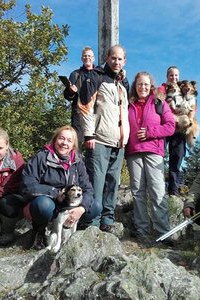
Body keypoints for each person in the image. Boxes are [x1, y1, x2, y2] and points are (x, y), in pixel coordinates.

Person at [21, 125, 99, 249]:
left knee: (95, 207)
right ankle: (40, 231)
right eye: (61, 139)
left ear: (73, 145)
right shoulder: (41, 157)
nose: (64, 143)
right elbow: (27, 185)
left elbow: (88, 189)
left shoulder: (78, 162)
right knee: (43, 206)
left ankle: (71, 229)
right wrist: (55, 192)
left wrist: (82, 208)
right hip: (47, 202)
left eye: (69, 140)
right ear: (55, 140)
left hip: (68, 205)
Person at [78, 44, 130, 232]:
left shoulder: (123, 83)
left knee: (112, 182)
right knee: (96, 183)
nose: (116, 62)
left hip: (119, 142)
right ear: (107, 58)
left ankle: (107, 220)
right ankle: (92, 220)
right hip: (99, 139)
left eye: (120, 59)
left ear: (125, 61)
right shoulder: (96, 77)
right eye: (113, 58)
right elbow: (85, 107)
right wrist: (89, 134)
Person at [126, 72, 175, 243]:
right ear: (135, 86)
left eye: (146, 84)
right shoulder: (128, 104)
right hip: (133, 152)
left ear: (151, 86)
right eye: (140, 84)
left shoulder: (159, 102)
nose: (143, 87)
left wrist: (149, 133)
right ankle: (142, 231)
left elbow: (170, 127)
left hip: (154, 151)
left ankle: (163, 232)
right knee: (138, 193)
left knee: (157, 190)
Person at [158, 66, 186, 196]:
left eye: (176, 75)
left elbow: (192, 106)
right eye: (171, 75)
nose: (174, 78)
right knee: (159, 156)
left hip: (179, 128)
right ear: (167, 76)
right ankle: (157, 186)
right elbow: (158, 105)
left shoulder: (184, 89)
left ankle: (173, 190)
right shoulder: (162, 89)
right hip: (164, 126)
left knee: (177, 157)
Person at [63, 46, 95, 147]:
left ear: (93, 58)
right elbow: (67, 96)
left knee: (94, 148)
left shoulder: (99, 74)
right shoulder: (75, 74)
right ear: (82, 58)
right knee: (76, 146)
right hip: (79, 115)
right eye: (85, 56)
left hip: (95, 115)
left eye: (89, 56)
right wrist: (71, 91)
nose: (87, 58)